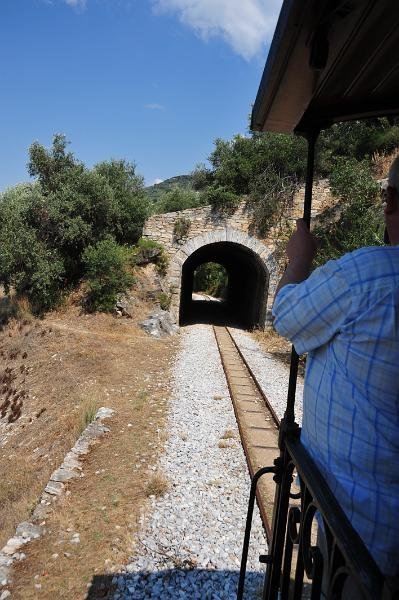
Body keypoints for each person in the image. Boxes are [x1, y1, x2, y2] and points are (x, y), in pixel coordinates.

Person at [272, 157, 399, 579]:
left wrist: (298, 259)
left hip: (363, 533)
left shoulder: (367, 276)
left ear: (391, 201)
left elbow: (288, 317)